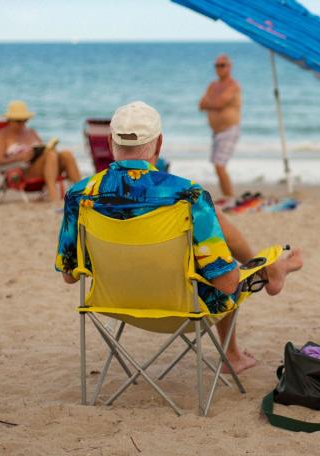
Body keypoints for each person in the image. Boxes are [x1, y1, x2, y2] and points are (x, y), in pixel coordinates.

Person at [55, 101, 302, 374]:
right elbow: (228, 283)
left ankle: (268, 269)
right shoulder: (189, 195)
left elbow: (69, 275)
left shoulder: (79, 195)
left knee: (212, 231)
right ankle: (269, 268)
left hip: (112, 305)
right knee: (220, 263)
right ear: (159, 144)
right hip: (183, 309)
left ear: (112, 143)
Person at [0, 100, 81, 202]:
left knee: (66, 154)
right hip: (23, 171)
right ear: (9, 120)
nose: (22, 124)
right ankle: (53, 196)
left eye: (25, 120)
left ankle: (82, 193)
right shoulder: (1, 135)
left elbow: (43, 150)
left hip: (46, 166)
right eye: (18, 121)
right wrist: (19, 157)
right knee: (50, 155)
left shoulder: (31, 132)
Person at [198, 54, 241, 204]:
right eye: (216, 65)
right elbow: (201, 104)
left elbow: (219, 103)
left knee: (219, 164)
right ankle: (226, 196)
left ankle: (230, 197)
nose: (219, 68)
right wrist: (213, 102)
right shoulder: (213, 85)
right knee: (217, 165)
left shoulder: (233, 86)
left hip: (229, 130)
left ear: (229, 67)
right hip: (216, 132)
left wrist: (213, 102)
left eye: (222, 65)